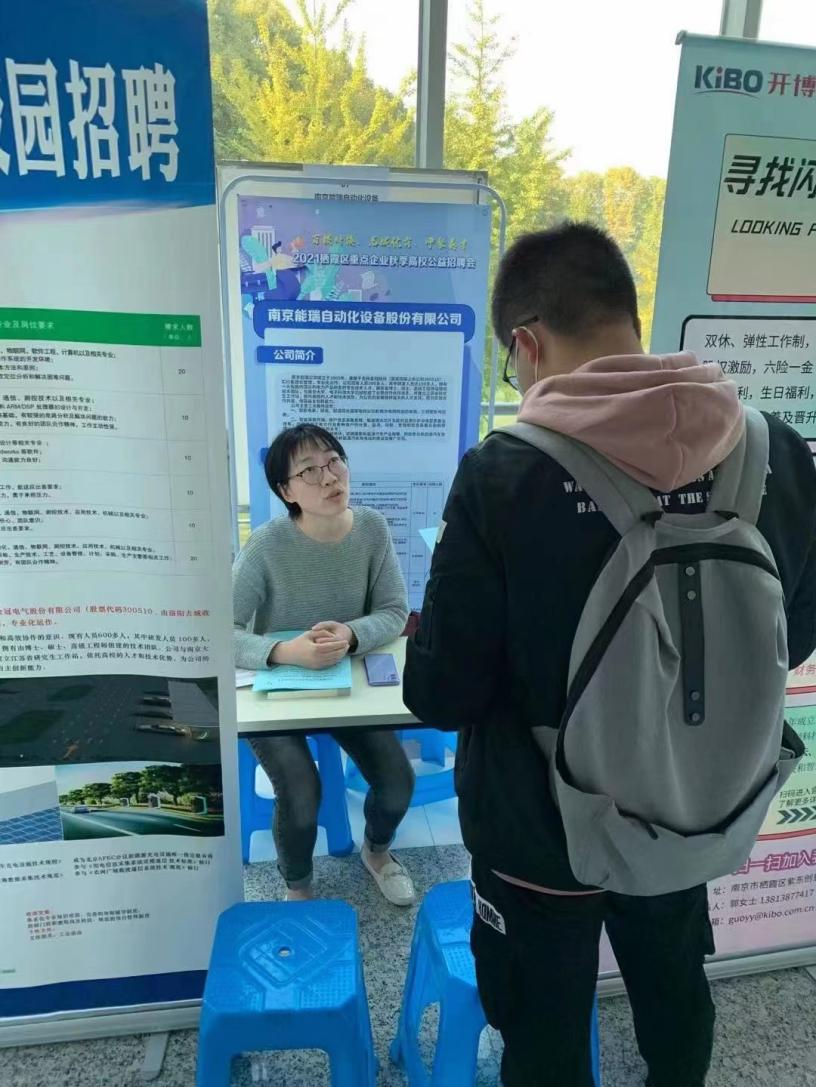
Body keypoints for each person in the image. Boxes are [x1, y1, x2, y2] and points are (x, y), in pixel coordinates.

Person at [403, 223, 816, 1087]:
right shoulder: (774, 449)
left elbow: (443, 691)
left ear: (526, 343)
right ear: (627, 315)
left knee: (543, 1028)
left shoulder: (503, 475)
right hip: (693, 805)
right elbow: (795, 632)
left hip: (540, 836)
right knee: (674, 990)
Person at [233, 423, 416, 906]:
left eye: (334, 461)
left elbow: (394, 611)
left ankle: (377, 852)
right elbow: (218, 632)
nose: (330, 477)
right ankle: (298, 886)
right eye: (309, 471)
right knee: (300, 790)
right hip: (279, 689)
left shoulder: (372, 529)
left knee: (398, 781)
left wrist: (352, 634)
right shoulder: (266, 546)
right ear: (286, 491)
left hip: (346, 685)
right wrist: (285, 652)